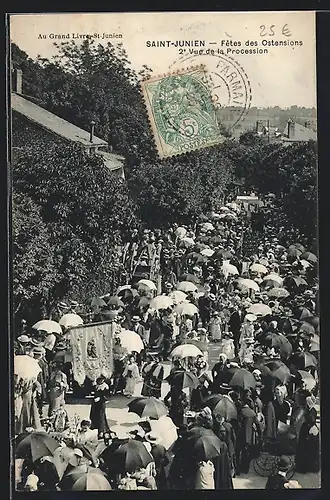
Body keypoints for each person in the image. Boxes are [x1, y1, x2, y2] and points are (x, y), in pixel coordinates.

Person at [295, 396, 320, 473]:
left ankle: (304, 467)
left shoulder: (311, 411)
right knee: (308, 449)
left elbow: (311, 421)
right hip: (309, 430)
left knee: (305, 449)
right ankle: (307, 466)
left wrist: (307, 430)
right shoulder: (311, 410)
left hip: (309, 431)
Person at [89, 376, 112, 444]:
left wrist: (100, 398)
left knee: (101, 416)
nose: (99, 381)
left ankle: (101, 431)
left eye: (101, 380)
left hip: (101, 403)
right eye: (98, 380)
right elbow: (93, 392)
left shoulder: (105, 386)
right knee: (93, 415)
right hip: (95, 403)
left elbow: (107, 396)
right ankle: (94, 427)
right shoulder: (96, 385)